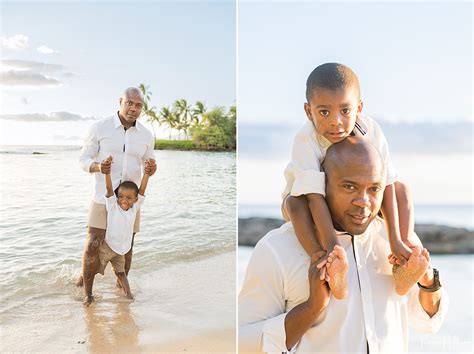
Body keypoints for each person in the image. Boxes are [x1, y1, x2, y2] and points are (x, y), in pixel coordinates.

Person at [239, 137, 448, 353]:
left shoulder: (395, 241)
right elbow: (243, 344)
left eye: (374, 189)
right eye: (349, 186)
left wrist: (427, 280)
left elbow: (429, 322)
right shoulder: (277, 249)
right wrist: (312, 308)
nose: (364, 201)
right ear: (321, 186)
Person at [282, 63, 416, 298]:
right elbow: (314, 198)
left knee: (401, 188)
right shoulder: (305, 140)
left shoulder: (371, 130)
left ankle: (403, 260)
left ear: (359, 107)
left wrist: (394, 238)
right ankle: (324, 261)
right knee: (295, 202)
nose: (336, 121)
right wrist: (334, 248)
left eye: (345, 111)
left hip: (354, 196)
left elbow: (385, 182)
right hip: (307, 199)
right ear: (308, 111)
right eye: (324, 112)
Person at [77, 87, 157, 304]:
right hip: (102, 197)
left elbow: (148, 164)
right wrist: (98, 167)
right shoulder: (99, 127)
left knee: (127, 244)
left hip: (131, 202)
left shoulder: (147, 135)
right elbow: (83, 159)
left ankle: (121, 290)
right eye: (129, 103)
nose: (133, 108)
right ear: (120, 102)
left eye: (138, 105)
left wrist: (152, 169)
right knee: (93, 242)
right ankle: (87, 293)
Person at [84, 155, 151, 306]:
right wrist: (106, 172)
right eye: (120, 196)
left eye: (128, 197)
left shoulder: (135, 208)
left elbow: (142, 189)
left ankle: (129, 296)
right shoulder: (113, 206)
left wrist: (146, 174)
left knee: (121, 273)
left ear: (135, 200)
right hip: (107, 247)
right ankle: (83, 284)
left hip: (121, 249)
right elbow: (108, 189)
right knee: (93, 270)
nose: (124, 200)